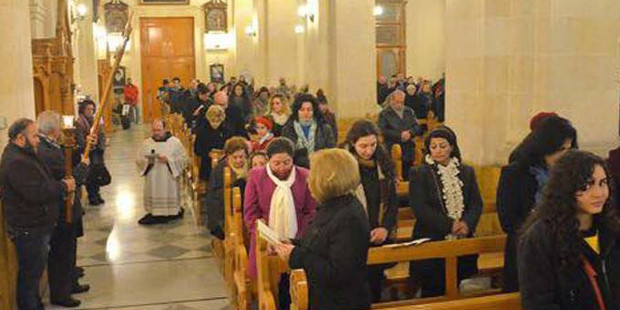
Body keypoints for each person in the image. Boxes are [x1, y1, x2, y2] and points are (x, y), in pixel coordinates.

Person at [518, 150, 620, 309]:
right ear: (566, 188)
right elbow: (538, 303)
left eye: (603, 183)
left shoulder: (612, 230)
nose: (598, 193)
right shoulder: (541, 237)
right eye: (587, 185)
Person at [274, 148, 371, 310]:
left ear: (328, 178)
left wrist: (295, 255)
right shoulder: (333, 205)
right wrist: (291, 243)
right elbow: (320, 244)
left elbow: (338, 272)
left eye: (313, 174)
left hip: (340, 303)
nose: (309, 179)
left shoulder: (348, 216)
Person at [0, 118, 76, 310]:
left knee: (33, 274)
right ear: (20, 138)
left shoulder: (24, 154)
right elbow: (36, 192)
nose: (38, 140)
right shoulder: (16, 161)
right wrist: (63, 187)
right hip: (29, 229)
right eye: (33, 136)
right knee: (29, 276)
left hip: (36, 225)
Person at [497, 115, 578, 292]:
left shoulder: (569, 175)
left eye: (569, 149)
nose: (565, 154)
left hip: (563, 252)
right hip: (526, 251)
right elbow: (508, 221)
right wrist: (541, 237)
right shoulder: (515, 173)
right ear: (545, 146)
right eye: (560, 149)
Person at [407, 126, 482, 297]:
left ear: (452, 147)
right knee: (432, 289)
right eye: (433, 147)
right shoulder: (419, 173)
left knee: (457, 283)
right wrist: (450, 225)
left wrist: (466, 224)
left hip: (462, 236)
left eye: (442, 146)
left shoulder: (466, 171)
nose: (438, 151)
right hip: (431, 237)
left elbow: (476, 203)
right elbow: (420, 208)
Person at [244, 137, 317, 309]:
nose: (282, 167)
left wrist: (296, 240)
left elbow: (311, 212)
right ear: (268, 160)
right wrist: (267, 238)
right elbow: (250, 214)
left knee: (295, 286)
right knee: (271, 288)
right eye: (277, 163)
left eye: (287, 162)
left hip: (298, 239)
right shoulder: (256, 176)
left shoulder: (304, 176)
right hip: (266, 240)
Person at [36, 111, 91, 307]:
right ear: (53, 129)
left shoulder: (51, 145)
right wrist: (83, 167)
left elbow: (67, 160)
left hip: (68, 206)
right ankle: (60, 294)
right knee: (60, 252)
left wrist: (82, 149)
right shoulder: (44, 151)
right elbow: (68, 178)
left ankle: (71, 283)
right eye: (60, 125)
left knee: (70, 248)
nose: (61, 129)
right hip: (59, 208)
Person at [342, 120, 398, 302]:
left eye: (373, 144)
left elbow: (392, 203)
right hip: (352, 235)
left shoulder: (383, 164)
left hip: (379, 233)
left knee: (374, 282)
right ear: (352, 144)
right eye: (363, 146)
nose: (369, 150)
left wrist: (385, 228)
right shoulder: (345, 166)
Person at [136, 119, 188, 225]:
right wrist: (148, 161)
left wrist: (169, 161)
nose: (156, 133)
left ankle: (171, 212)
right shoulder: (147, 143)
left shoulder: (175, 142)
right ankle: (154, 212)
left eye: (159, 130)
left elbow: (184, 159)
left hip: (168, 178)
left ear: (165, 129)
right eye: (154, 130)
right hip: (153, 176)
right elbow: (139, 160)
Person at [204, 137, 250, 239]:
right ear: (228, 156)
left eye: (241, 157)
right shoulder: (221, 170)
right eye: (235, 157)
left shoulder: (250, 167)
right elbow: (214, 197)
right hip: (227, 212)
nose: (238, 160)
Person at [282, 94, 336, 168]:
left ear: (314, 111)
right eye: (302, 110)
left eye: (309, 109)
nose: (306, 113)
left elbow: (331, 151)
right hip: (296, 168)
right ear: (296, 111)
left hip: (321, 167)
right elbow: (287, 153)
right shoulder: (288, 129)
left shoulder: (324, 128)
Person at [378, 90, 423, 179]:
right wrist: (400, 135)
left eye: (401, 102)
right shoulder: (384, 113)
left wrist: (410, 133)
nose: (399, 104)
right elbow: (382, 130)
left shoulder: (409, 111)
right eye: (397, 102)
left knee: (410, 173)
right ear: (392, 100)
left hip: (409, 147)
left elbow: (417, 127)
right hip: (393, 147)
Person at [76, 99, 107, 206]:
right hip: (87, 152)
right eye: (88, 109)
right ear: (83, 110)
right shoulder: (79, 122)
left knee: (98, 173)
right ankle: (92, 196)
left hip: (97, 151)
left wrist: (101, 144)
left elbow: (101, 133)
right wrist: (88, 142)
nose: (90, 111)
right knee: (91, 175)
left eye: (92, 109)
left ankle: (97, 194)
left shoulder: (95, 120)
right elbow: (79, 140)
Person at [194, 105, 230, 181]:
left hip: (222, 162)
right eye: (212, 121)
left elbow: (229, 146)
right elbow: (197, 149)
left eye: (218, 121)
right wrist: (208, 153)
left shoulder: (226, 130)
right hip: (206, 164)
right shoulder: (202, 131)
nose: (215, 124)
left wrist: (223, 153)